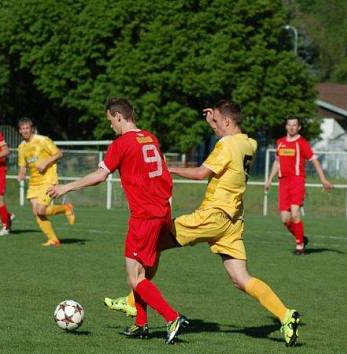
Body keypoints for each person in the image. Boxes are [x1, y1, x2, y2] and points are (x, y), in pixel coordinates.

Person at [108, 100, 302, 347]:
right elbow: (227, 137)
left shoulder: (226, 145)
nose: (215, 125)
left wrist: (169, 169)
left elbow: (201, 173)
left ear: (228, 122)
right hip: (232, 221)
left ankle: (134, 301)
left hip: (212, 215)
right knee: (241, 279)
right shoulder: (249, 143)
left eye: (218, 121)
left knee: (152, 239)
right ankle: (286, 315)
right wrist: (213, 120)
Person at [47, 98, 187, 344]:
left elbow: (101, 175)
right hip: (160, 211)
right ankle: (141, 325)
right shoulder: (150, 137)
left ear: (118, 116)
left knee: (134, 277)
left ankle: (172, 317)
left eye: (110, 120)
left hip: (144, 216)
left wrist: (66, 187)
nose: (110, 125)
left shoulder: (122, 143)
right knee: (141, 273)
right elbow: (163, 172)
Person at [265, 117, 333, 255]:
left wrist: (323, 179)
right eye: (289, 125)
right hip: (283, 182)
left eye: (294, 125)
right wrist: (269, 179)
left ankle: (300, 246)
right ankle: (300, 237)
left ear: (299, 127)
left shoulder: (302, 143)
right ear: (286, 126)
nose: (291, 127)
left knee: (295, 213)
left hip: (297, 181)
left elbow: (314, 161)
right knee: (285, 219)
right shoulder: (280, 142)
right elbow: (277, 162)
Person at [16, 118, 75, 247]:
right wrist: (21, 174)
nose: (25, 131)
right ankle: (53, 239)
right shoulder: (21, 147)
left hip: (48, 179)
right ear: (20, 131)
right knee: (36, 212)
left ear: (31, 128)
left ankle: (66, 208)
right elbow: (22, 165)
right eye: (22, 129)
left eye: (27, 128)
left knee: (41, 210)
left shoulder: (43, 140)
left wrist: (45, 163)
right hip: (34, 183)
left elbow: (59, 153)